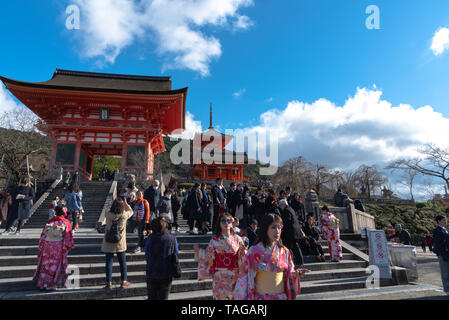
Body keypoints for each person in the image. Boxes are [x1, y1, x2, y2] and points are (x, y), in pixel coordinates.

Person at [233, 213, 308, 300]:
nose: (277, 231)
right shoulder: (254, 251)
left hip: (281, 297)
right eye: (273, 227)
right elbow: (244, 275)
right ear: (265, 229)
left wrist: (295, 274)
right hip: (261, 297)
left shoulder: (284, 251)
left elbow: (289, 272)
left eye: (279, 227)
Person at [195, 213, 246, 300]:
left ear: (232, 223)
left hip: (234, 274)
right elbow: (208, 257)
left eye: (228, 221)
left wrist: (243, 252)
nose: (226, 223)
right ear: (219, 223)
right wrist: (199, 253)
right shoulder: (214, 240)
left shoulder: (238, 239)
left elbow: (243, 256)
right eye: (223, 221)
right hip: (219, 276)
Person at [33, 206, 74, 291]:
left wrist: (41, 245)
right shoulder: (66, 222)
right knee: (54, 264)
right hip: (58, 246)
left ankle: (43, 283)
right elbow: (67, 236)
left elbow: (43, 235)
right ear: (63, 213)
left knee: (46, 264)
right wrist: (67, 246)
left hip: (47, 245)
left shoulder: (49, 221)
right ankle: (51, 284)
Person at [101, 198, 134, 290]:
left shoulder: (108, 214)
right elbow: (131, 211)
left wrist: (111, 204)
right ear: (122, 206)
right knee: (122, 263)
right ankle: (124, 281)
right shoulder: (124, 215)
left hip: (109, 241)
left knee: (109, 262)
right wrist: (126, 204)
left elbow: (106, 209)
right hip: (120, 242)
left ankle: (109, 283)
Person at [145, 216, 179, 300]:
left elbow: (147, 255)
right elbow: (176, 253)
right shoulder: (172, 238)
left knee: (152, 297)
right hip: (166, 272)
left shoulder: (150, 238)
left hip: (152, 271)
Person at [278, 199, 304, 267]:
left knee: (290, 247)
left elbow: (287, 221)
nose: (280, 207)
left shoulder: (286, 211)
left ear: (283, 205)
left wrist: (281, 227)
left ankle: (295, 261)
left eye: (280, 205)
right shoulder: (290, 209)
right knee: (294, 246)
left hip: (291, 232)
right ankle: (299, 261)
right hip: (294, 232)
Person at [432, 215, 449, 295]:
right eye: (443, 220)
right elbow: (438, 244)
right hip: (443, 254)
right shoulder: (437, 230)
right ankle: (447, 289)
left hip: (447, 253)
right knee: (445, 272)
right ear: (438, 221)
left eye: (445, 220)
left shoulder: (445, 229)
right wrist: (442, 254)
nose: (445, 221)